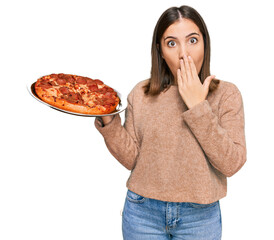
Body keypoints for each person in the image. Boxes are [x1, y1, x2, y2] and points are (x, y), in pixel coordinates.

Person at [95, 5, 246, 240]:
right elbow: (132, 159)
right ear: (160, 50)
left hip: (200, 218)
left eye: (193, 40)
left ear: (205, 43)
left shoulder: (227, 94)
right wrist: (108, 118)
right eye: (172, 43)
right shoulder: (142, 93)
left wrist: (197, 107)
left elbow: (232, 164)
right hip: (142, 213)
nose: (183, 53)